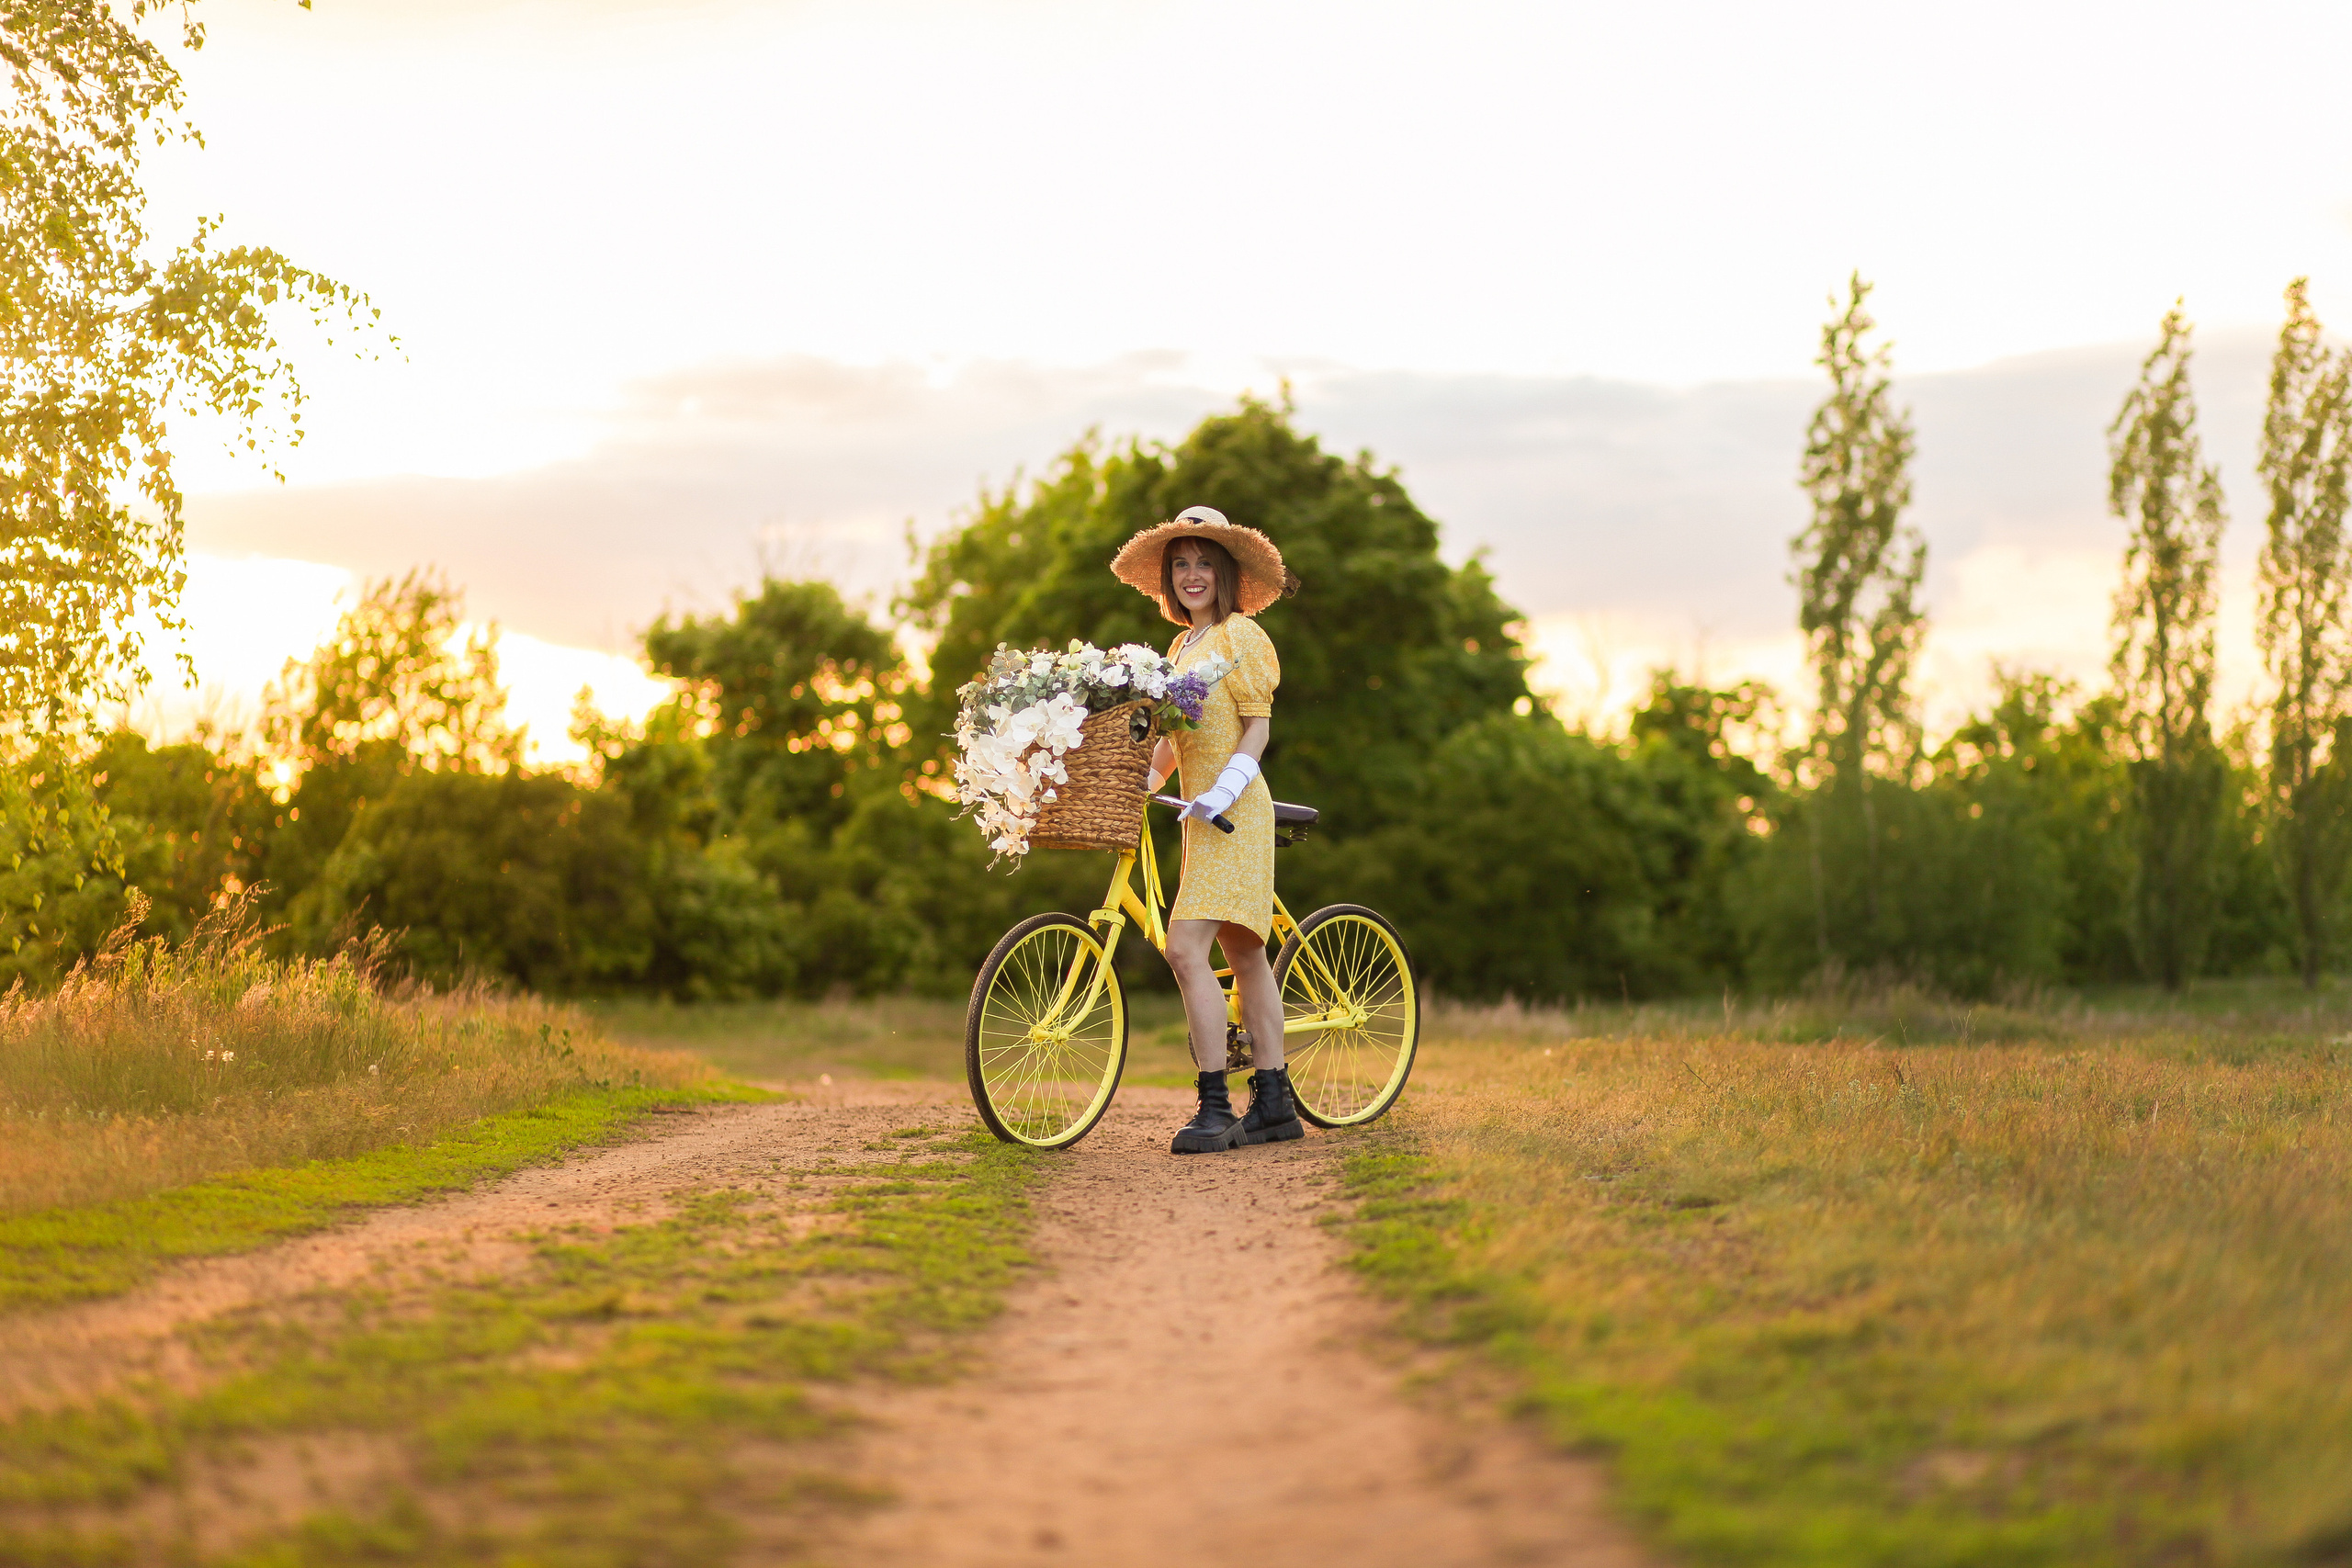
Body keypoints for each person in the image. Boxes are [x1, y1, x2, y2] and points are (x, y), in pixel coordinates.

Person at [1109, 505, 1303, 1154]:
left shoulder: (1240, 636)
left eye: (1203, 562)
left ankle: (1216, 1105)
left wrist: (1224, 787)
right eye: (1181, 564)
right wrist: (1146, 778)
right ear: (1169, 578)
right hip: (1201, 818)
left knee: (1184, 947)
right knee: (1246, 953)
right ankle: (1274, 1102)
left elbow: (1257, 724)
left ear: (1225, 571)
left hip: (1235, 808)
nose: (1192, 575)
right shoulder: (1178, 648)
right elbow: (1173, 743)